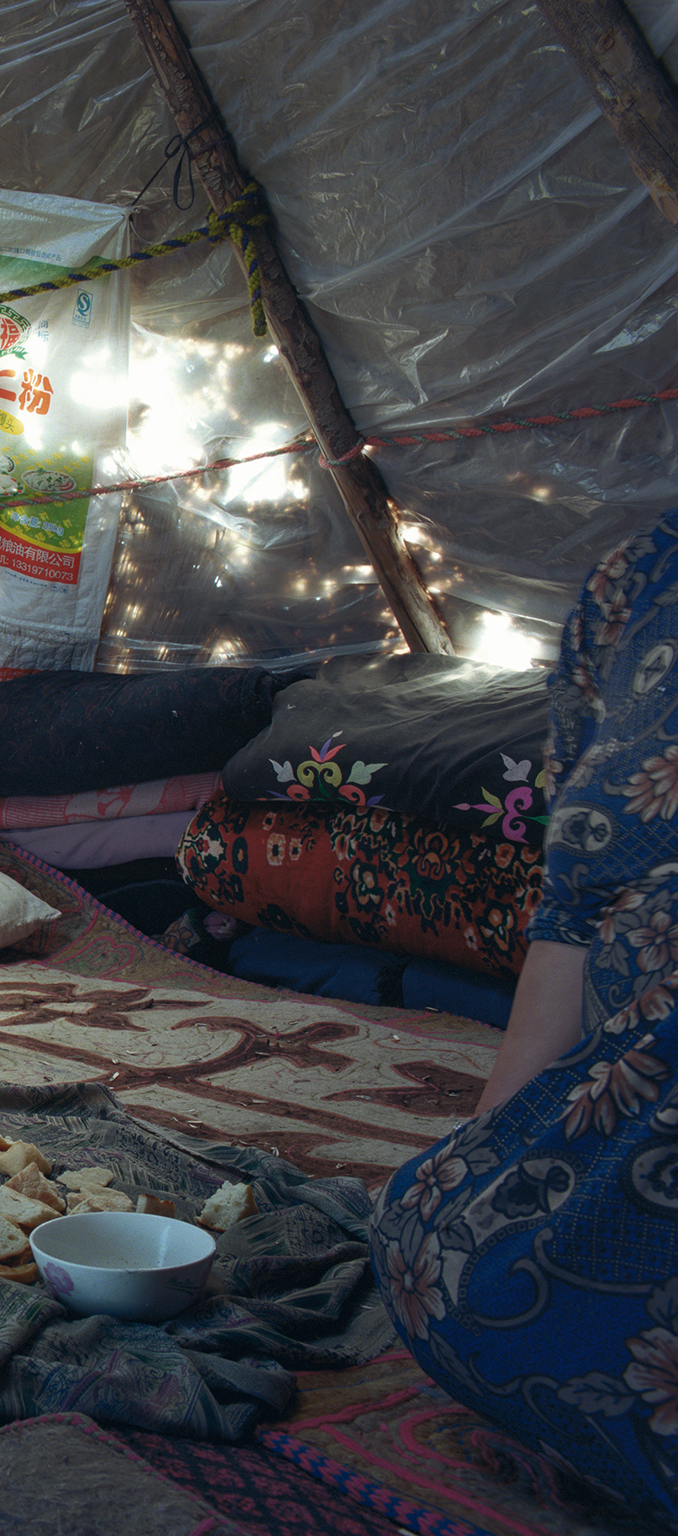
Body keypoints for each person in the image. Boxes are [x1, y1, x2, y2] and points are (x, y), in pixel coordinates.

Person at [372, 512, 678, 1517]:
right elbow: (575, 905)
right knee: (443, 1246)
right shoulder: (642, 578)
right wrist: (486, 1160)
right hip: (634, 1114)